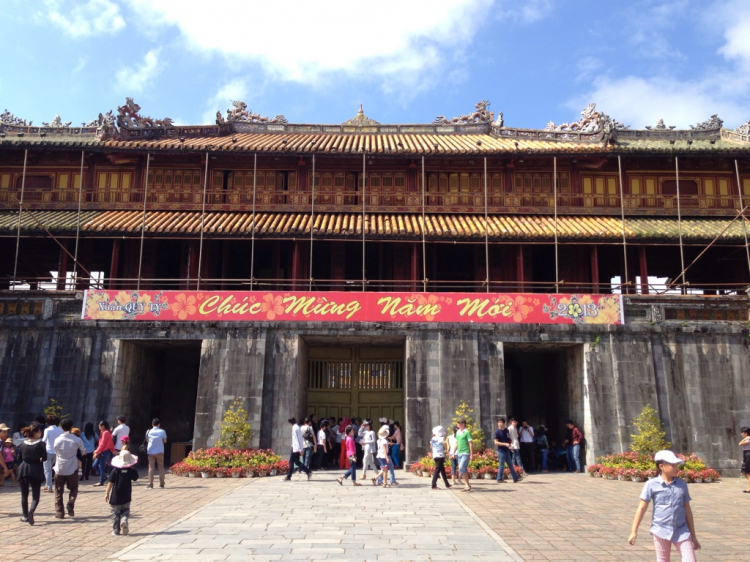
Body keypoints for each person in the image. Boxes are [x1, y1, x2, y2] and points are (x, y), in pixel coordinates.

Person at [628, 450, 700, 561]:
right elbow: (642, 508)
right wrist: (634, 531)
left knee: (690, 559)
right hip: (660, 530)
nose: (676, 468)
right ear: (661, 466)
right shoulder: (651, 484)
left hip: (681, 530)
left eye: (676, 465)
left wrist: (693, 536)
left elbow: (687, 510)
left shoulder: (682, 485)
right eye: (672, 465)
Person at [53, 418, 85, 519]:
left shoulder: (57, 439)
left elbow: (55, 451)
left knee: (58, 491)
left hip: (59, 468)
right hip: (72, 468)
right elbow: (83, 452)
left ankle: (59, 512)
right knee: (74, 488)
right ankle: (71, 502)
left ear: (61, 427)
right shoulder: (77, 439)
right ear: (72, 427)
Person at [16, 422, 46, 525]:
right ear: (36, 432)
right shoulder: (41, 444)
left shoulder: (22, 444)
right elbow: (45, 458)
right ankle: (31, 511)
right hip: (35, 469)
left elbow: (18, 458)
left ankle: (25, 516)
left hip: (23, 469)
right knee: (35, 496)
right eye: (40, 432)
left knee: (24, 495)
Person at [106, 449, 139, 536]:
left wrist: (107, 493)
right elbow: (136, 477)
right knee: (125, 510)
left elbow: (110, 482)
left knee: (115, 513)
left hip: (116, 496)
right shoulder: (131, 471)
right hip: (127, 495)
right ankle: (124, 519)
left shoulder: (115, 471)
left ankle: (116, 530)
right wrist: (131, 467)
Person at [494, 418, 520, 483]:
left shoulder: (506, 430)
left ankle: (515, 478)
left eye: (501, 422)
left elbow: (509, 438)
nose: (499, 424)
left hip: (507, 450)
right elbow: (496, 442)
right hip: (501, 451)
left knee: (510, 464)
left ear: (504, 423)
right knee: (501, 465)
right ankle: (499, 478)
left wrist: (510, 444)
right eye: (498, 422)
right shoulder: (497, 432)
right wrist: (504, 444)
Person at [41, 415, 62, 493]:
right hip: (57, 452)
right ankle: (54, 485)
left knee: (47, 470)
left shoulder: (47, 430)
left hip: (48, 451)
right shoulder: (60, 429)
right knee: (57, 469)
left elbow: (44, 440)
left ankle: (49, 486)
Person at [145, 418, 167, 489]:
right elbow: (165, 441)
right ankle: (161, 484)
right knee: (161, 467)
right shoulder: (162, 431)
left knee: (151, 468)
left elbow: (147, 440)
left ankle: (150, 484)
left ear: (152, 424)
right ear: (159, 424)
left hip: (151, 451)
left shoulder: (148, 431)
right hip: (160, 451)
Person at [93, 420, 116, 487]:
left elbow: (103, 444)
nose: (99, 426)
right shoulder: (104, 432)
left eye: (100, 425)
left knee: (101, 466)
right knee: (95, 465)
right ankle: (103, 476)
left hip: (103, 451)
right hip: (102, 451)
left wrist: (97, 451)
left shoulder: (106, 433)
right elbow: (110, 442)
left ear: (103, 426)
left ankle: (101, 481)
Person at [456, 418, 473, 492]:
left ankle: (467, 485)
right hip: (459, 453)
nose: (458, 424)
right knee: (463, 469)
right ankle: (467, 485)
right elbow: (456, 442)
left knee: (461, 467)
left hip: (465, 452)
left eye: (459, 423)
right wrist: (452, 452)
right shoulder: (458, 432)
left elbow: (470, 443)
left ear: (463, 424)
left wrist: (471, 454)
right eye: (458, 423)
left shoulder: (467, 432)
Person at [739, 426, 750, 493]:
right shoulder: (747, 438)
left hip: (748, 454)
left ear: (746, 433)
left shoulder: (748, 439)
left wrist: (747, 437)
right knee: (743, 472)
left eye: (742, 433)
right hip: (746, 455)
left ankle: (749, 488)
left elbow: (740, 443)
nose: (741, 434)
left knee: (748, 473)